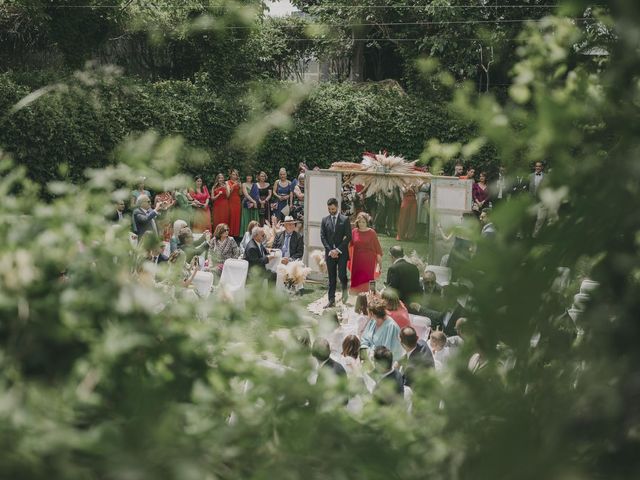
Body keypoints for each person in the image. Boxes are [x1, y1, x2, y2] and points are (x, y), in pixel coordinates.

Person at [320, 197, 352, 308]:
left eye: (333, 209)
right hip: (330, 253)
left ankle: (344, 291)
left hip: (342, 252)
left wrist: (337, 250)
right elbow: (322, 237)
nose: (331, 211)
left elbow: (349, 237)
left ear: (337, 207)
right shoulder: (325, 220)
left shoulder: (345, 219)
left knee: (342, 274)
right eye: (329, 209)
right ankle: (331, 300)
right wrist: (330, 250)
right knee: (331, 277)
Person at [360, 296, 404, 362]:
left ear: (371, 313)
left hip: (383, 364)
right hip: (369, 359)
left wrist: (371, 355)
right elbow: (364, 339)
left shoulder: (392, 327)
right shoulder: (372, 321)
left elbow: (388, 353)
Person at [349, 213, 382, 293]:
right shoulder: (354, 232)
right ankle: (356, 294)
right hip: (357, 260)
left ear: (367, 222)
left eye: (363, 222)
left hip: (368, 261)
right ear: (357, 222)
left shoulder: (372, 233)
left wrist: (379, 264)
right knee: (357, 278)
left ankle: (371, 294)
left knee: (369, 279)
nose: (361, 224)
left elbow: (378, 249)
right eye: (359, 222)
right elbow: (349, 245)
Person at [226, 169, 242, 238]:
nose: (234, 176)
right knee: (231, 216)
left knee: (237, 216)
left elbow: (240, 193)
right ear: (230, 175)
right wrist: (233, 185)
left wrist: (240, 186)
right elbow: (228, 194)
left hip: (237, 201)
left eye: (236, 174)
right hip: (231, 200)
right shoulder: (227, 182)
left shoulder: (239, 182)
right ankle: (230, 233)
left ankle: (236, 234)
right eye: (233, 174)